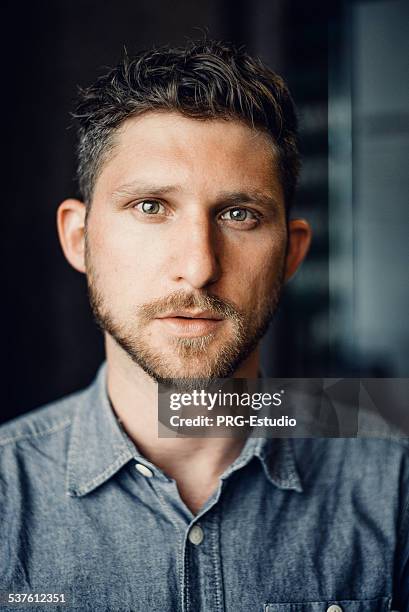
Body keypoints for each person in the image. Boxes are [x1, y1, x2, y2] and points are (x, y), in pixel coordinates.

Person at [0, 39, 407, 612]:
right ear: (79, 239)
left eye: (239, 215)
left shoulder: (395, 480)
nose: (199, 267)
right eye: (150, 207)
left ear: (290, 255)